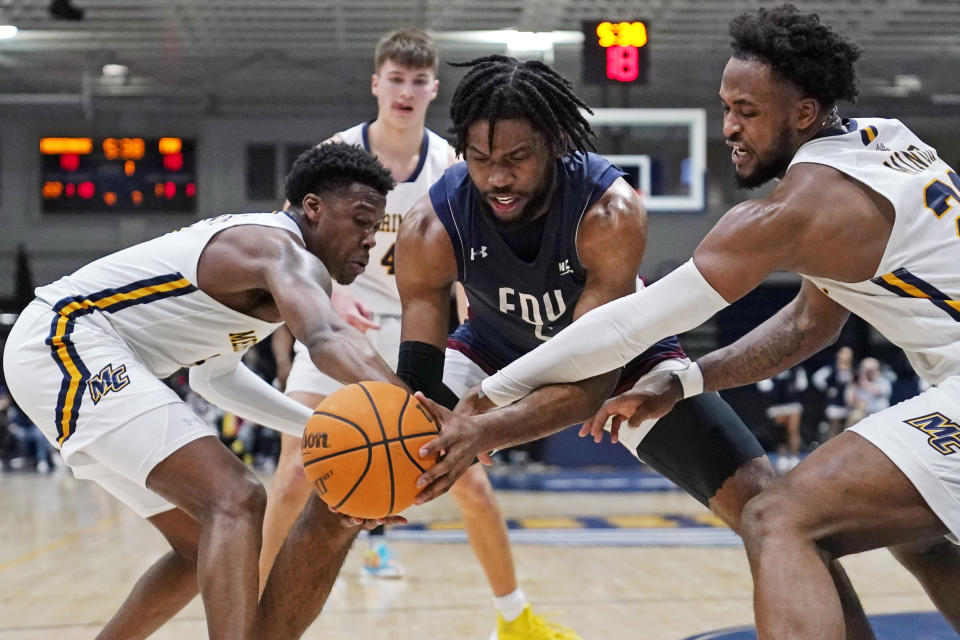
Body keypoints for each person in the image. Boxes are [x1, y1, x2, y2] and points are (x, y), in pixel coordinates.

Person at [413, 7, 960, 639]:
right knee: (915, 533)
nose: (728, 127)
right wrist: (683, 382)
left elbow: (628, 328)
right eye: (727, 106)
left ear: (804, 114)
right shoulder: (885, 141)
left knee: (776, 520)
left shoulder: (797, 209)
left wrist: (491, 396)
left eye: (747, 112)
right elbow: (808, 325)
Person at [1, 142, 408, 640]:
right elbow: (325, 338)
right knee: (235, 498)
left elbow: (213, 377)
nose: (372, 241)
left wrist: (328, 429)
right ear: (314, 208)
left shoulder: (272, 268)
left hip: (73, 352)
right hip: (64, 337)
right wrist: (418, 415)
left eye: (377, 228)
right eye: (362, 222)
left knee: (199, 543)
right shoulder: (278, 250)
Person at [260, 27, 456, 584]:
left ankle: (513, 614)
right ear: (376, 83)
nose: (406, 91)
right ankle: (258, 599)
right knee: (295, 465)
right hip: (334, 320)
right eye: (396, 79)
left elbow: (468, 262)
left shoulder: (450, 165)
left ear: (433, 89)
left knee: (454, 477)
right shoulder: (336, 154)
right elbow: (285, 237)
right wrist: (330, 289)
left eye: (418, 81)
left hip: (415, 328)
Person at [756, 365, 807, 472]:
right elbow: (764, 386)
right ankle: (782, 457)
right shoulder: (770, 369)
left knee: (793, 431)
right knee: (779, 432)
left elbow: (802, 385)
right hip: (777, 405)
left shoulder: (796, 368)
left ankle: (794, 456)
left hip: (792, 404)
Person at [811, 345, 855, 440]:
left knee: (845, 429)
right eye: (844, 353)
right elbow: (817, 378)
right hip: (834, 403)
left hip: (847, 404)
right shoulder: (832, 368)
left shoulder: (851, 370)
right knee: (834, 428)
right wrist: (827, 388)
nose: (847, 356)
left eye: (849, 354)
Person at [846, 356, 892, 422]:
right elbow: (851, 401)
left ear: (877, 369)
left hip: (879, 416)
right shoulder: (858, 382)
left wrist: (864, 382)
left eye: (870, 370)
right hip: (864, 417)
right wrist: (854, 386)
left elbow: (877, 392)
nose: (868, 372)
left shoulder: (883, 380)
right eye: (866, 370)